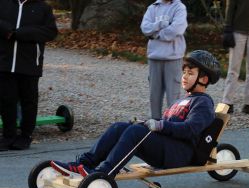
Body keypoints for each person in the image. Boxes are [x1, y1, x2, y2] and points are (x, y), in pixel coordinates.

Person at [50, 50, 221, 178]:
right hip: (168, 147)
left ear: (204, 79)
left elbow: (190, 129)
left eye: (190, 73)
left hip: (180, 153)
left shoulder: (203, 103)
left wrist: (160, 125)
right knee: (121, 127)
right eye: (184, 72)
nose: (184, 76)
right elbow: (168, 123)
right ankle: (84, 164)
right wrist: (148, 122)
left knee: (136, 132)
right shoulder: (182, 100)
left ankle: (103, 173)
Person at [0, 0, 58, 150]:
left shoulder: (43, 7)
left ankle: (25, 136)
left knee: (29, 101)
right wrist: (7, 30)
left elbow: (50, 32)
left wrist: (20, 33)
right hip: (5, 62)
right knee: (7, 100)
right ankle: (8, 136)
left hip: (30, 63)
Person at [140, 0, 188, 120]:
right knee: (154, 95)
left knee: (173, 96)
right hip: (154, 57)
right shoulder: (152, 8)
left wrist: (155, 34)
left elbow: (176, 30)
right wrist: (162, 24)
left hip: (173, 57)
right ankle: (154, 123)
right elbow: (145, 28)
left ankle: (172, 124)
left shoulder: (179, 7)